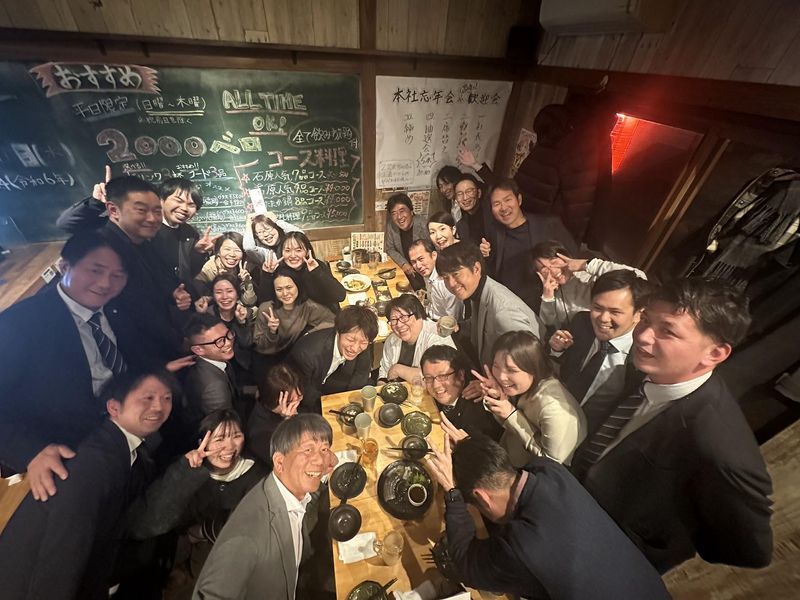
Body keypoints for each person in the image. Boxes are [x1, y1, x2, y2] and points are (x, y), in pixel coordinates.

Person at [571, 278, 774, 573]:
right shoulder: (646, 368)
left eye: (667, 331)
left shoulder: (717, 444)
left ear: (714, 353)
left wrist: (649, 535)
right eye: (646, 320)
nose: (643, 336)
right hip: (569, 510)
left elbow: (751, 550)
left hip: (603, 559)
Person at [0, 370, 175, 600]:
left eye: (167, 398)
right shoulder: (95, 463)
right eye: (148, 397)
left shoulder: (125, 452)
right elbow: (61, 559)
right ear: (114, 407)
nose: (159, 406)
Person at [425, 435, 670, 599]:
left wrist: (453, 493)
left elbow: (466, 563)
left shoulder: (520, 546)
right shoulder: (548, 469)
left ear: (482, 498)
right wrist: (475, 453)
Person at [0, 231, 128, 495]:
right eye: (95, 270)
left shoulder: (118, 306)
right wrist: (31, 451)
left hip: (124, 420)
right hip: (68, 448)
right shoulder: (19, 324)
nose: (106, 283)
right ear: (64, 266)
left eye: (117, 275)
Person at [193, 414, 338, 600]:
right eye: (308, 450)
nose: (319, 459)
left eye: (324, 449)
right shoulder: (250, 533)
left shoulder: (288, 493)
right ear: (279, 462)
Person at [56, 174, 190, 366]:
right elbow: (138, 309)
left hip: (153, 340)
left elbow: (157, 276)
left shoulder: (139, 240)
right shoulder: (106, 249)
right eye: (141, 210)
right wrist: (178, 342)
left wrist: (173, 292)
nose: (152, 218)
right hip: (132, 353)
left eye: (157, 211)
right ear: (113, 210)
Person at [128, 409, 269, 587]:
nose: (229, 446)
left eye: (236, 436)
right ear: (202, 443)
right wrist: (184, 471)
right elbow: (148, 522)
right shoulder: (187, 470)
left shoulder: (258, 475)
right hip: (179, 563)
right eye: (219, 439)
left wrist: (202, 531)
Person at [549, 270, 650, 433]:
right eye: (597, 308)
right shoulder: (581, 322)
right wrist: (556, 349)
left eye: (615, 312)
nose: (603, 318)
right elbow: (560, 365)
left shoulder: (643, 359)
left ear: (638, 314)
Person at [474, 331, 586, 466]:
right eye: (496, 366)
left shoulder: (554, 409)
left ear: (533, 368)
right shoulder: (523, 386)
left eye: (511, 370)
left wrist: (511, 416)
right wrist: (497, 397)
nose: (501, 376)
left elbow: (553, 465)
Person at [436, 241, 544, 368]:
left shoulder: (504, 312)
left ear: (476, 268)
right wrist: (459, 327)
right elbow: (483, 325)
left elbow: (529, 361)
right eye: (445, 278)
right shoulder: (478, 291)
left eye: (456, 274)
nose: (451, 284)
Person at [483, 178, 577, 312]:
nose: (503, 208)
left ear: (519, 200)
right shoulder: (494, 233)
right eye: (496, 204)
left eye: (507, 200)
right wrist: (485, 256)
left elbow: (574, 260)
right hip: (511, 308)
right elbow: (493, 271)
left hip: (549, 305)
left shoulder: (549, 224)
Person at [534, 240, 647, 330]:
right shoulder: (555, 296)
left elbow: (639, 278)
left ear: (565, 256)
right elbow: (550, 326)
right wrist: (547, 298)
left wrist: (586, 265)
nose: (552, 271)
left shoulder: (591, 273)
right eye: (544, 270)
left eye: (554, 262)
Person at [288, 305, 378, 413]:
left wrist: (349, 404)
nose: (355, 348)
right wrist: (334, 407)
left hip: (334, 379)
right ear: (338, 331)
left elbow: (362, 373)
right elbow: (306, 392)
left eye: (363, 342)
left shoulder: (362, 342)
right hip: (307, 389)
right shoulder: (307, 355)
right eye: (350, 340)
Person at [421, 345, 503, 442]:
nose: (435, 385)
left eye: (442, 376)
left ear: (460, 375)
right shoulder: (444, 395)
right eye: (429, 378)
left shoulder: (479, 408)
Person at [253, 270, 335, 359]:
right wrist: (272, 331)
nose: (285, 293)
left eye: (289, 287)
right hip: (267, 356)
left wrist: (308, 334)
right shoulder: (266, 308)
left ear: (298, 286)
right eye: (279, 289)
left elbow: (332, 320)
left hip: (292, 352)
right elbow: (259, 344)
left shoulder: (307, 306)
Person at [150, 177, 216, 285]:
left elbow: (190, 273)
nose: (184, 208)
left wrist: (198, 252)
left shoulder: (190, 233)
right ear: (161, 200)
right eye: (178, 201)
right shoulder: (145, 229)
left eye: (191, 205)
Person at [257, 231, 345, 312]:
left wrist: (317, 272)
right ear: (282, 252)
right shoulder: (279, 273)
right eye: (287, 250)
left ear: (307, 252)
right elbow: (264, 304)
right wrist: (267, 275)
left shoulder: (316, 266)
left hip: (323, 317)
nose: (293, 255)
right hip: (295, 320)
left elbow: (340, 296)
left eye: (298, 250)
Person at [183, 313, 244, 427]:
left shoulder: (211, 358)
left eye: (228, 334)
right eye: (219, 341)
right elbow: (226, 426)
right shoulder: (215, 389)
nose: (228, 343)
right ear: (198, 350)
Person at [378, 294, 455, 383]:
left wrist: (398, 369)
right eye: (394, 320)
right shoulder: (392, 340)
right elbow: (384, 371)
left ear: (419, 315)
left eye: (403, 317)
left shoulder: (438, 337)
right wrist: (381, 384)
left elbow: (440, 376)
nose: (399, 325)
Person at [195, 273, 257, 376]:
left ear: (237, 294)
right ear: (213, 296)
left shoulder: (244, 312)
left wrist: (241, 322)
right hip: (217, 366)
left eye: (229, 291)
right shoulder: (208, 313)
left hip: (242, 367)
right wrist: (201, 315)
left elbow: (247, 343)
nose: (224, 297)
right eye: (219, 292)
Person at [247, 363, 304, 466]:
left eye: (299, 397)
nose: (296, 404)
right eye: (290, 402)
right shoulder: (260, 435)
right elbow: (290, 462)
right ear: (275, 400)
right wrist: (290, 423)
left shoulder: (293, 401)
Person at [194, 231, 258, 305]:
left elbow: (250, 302)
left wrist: (247, 282)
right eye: (227, 249)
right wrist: (218, 280)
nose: (232, 254)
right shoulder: (209, 268)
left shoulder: (246, 266)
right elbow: (199, 292)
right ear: (218, 251)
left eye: (237, 250)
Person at [407, 239, 461, 321]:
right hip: (430, 315)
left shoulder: (446, 282)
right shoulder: (428, 272)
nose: (418, 266)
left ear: (434, 255)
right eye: (413, 262)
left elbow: (453, 321)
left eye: (421, 259)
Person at [383, 193, 428, 283]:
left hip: (426, 275)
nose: (399, 217)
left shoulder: (424, 225)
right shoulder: (391, 226)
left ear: (411, 211)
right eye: (394, 213)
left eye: (402, 211)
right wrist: (403, 263)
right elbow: (390, 248)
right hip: (406, 275)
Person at [452, 173, 491, 245]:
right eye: (459, 194)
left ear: (479, 193)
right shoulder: (461, 226)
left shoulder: (492, 213)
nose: (465, 198)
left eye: (469, 191)